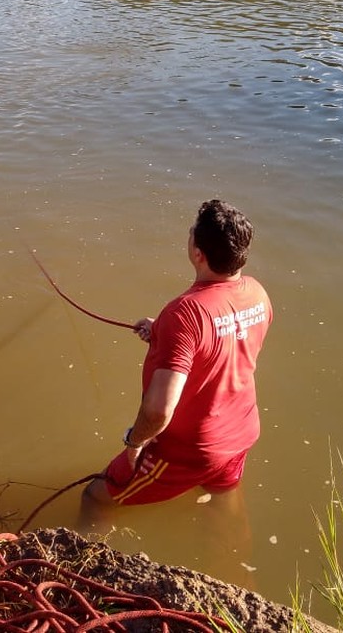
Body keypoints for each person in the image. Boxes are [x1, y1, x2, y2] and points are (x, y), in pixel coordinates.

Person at [78, 199, 273, 530]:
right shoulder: (257, 294)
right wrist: (161, 333)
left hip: (191, 451)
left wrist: (134, 443)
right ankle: (234, 562)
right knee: (223, 501)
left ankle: (82, 569)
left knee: (96, 496)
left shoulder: (184, 313)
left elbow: (158, 410)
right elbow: (226, 343)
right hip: (241, 434)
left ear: (198, 252)